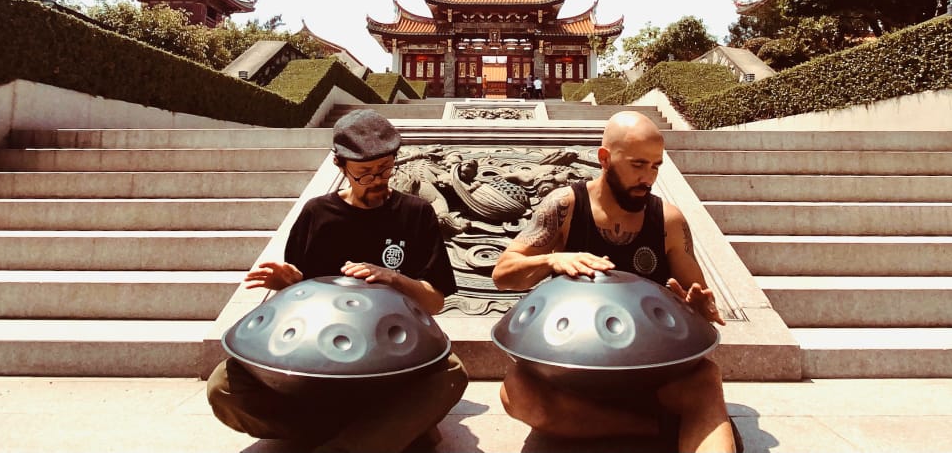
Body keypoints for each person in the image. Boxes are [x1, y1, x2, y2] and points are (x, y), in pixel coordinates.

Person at [207, 109, 469, 452]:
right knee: (223, 386)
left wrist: (393, 278)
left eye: (385, 169)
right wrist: (289, 285)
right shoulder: (317, 213)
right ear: (339, 165)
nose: (377, 180)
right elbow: (297, 300)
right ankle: (375, 432)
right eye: (364, 173)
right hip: (319, 362)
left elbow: (434, 301)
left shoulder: (415, 213)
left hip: (390, 363)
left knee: (451, 373)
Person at [491, 110, 741, 453]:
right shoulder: (565, 206)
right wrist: (552, 258)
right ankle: (655, 429)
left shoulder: (667, 219)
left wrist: (698, 309)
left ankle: (657, 427)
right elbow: (503, 274)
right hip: (577, 376)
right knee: (516, 393)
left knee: (706, 379)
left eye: (655, 166)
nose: (648, 178)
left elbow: (695, 293)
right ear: (605, 158)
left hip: (651, 377)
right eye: (638, 165)